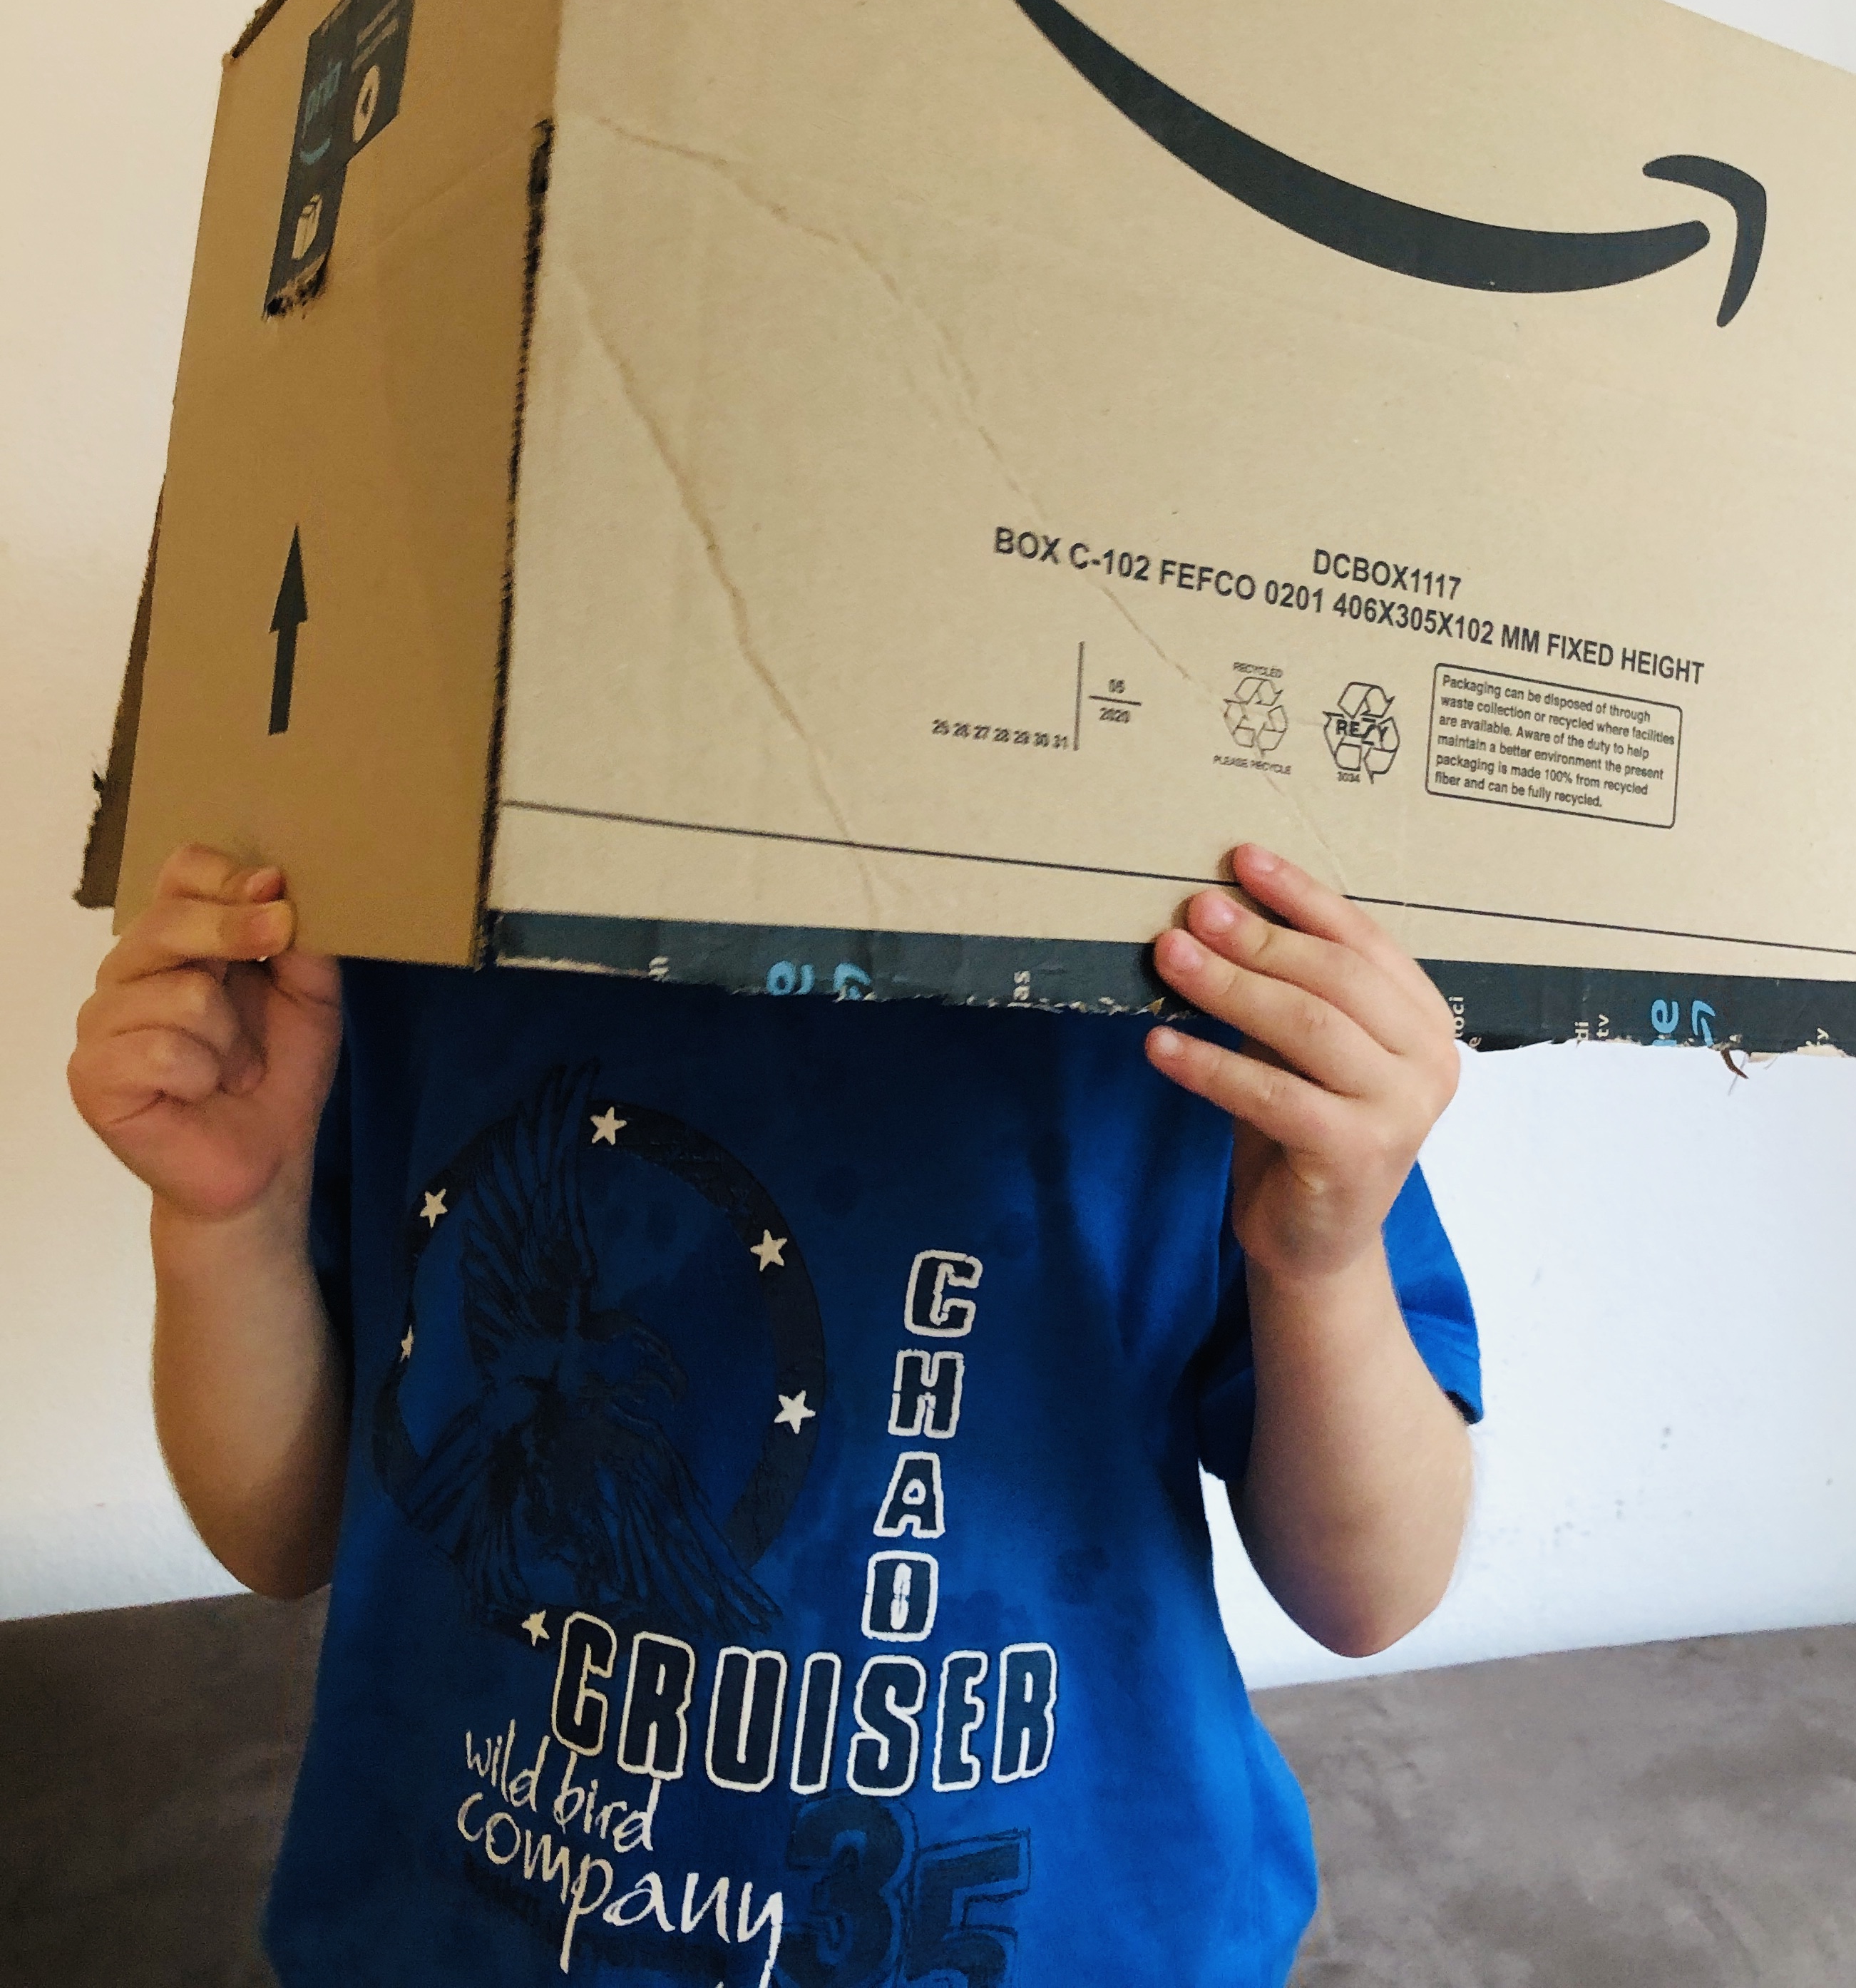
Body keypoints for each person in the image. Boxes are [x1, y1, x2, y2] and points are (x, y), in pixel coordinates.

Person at [70, 837, 1478, 1987]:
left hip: (1083, 1938)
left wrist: (1325, 1260)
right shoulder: (406, 922)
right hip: (456, 1923)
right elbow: (281, 1531)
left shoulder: (1214, 981)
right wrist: (228, 1222)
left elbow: (1372, 1588)